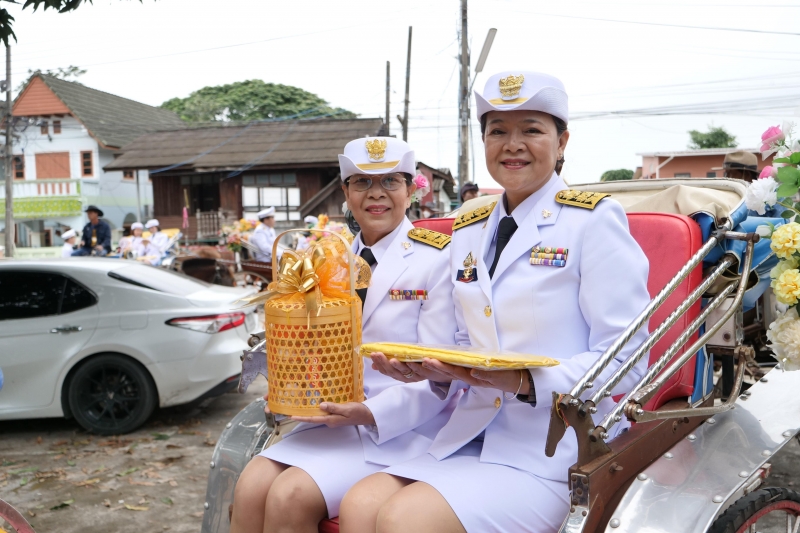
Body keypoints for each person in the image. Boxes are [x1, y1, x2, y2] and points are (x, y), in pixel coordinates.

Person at [341, 71, 652, 533]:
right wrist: (431, 369)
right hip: (469, 430)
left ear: (562, 141)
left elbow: (627, 357)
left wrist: (525, 381)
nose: (512, 144)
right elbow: (466, 340)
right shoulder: (469, 225)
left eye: (531, 129)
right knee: (359, 507)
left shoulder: (592, 221)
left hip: (555, 444)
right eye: (498, 131)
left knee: (405, 519)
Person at [230, 137, 460, 533]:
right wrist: (292, 391)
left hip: (402, 427)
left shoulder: (438, 259)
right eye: (362, 183)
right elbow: (311, 349)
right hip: (329, 420)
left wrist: (370, 412)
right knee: (250, 484)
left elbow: (443, 376)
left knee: (290, 495)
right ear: (345, 193)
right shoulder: (324, 258)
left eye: (390, 182)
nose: (376, 195)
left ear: (411, 189)